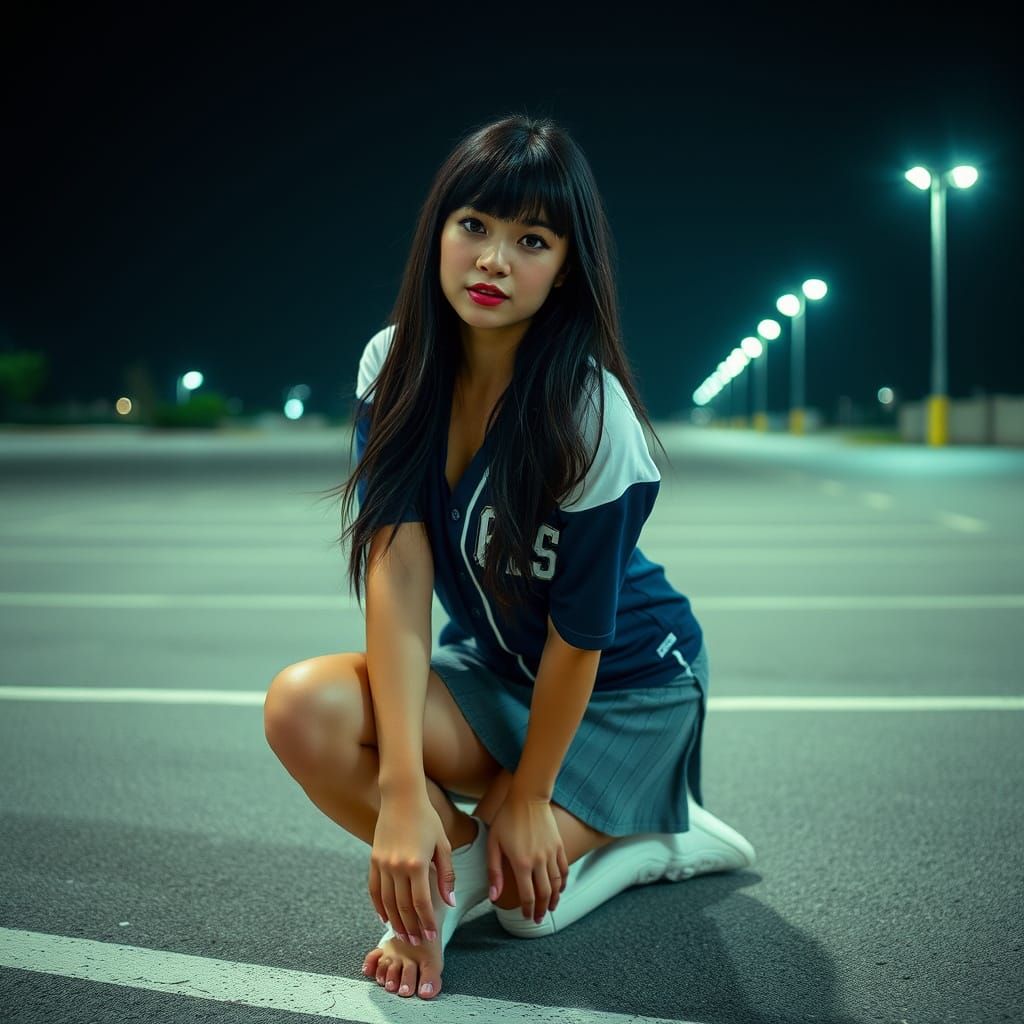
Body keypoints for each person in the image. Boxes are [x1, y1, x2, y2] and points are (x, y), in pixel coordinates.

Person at [263, 112, 756, 1002]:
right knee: (305, 709)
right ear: (439, 234)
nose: (493, 260)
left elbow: (581, 632)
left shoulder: (589, 411)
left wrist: (528, 795)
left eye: (531, 239)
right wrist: (405, 791)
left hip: (630, 687)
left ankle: (663, 835)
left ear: (566, 267)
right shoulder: (395, 363)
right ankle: (471, 872)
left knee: (532, 911)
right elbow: (400, 573)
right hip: (498, 670)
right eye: (475, 226)